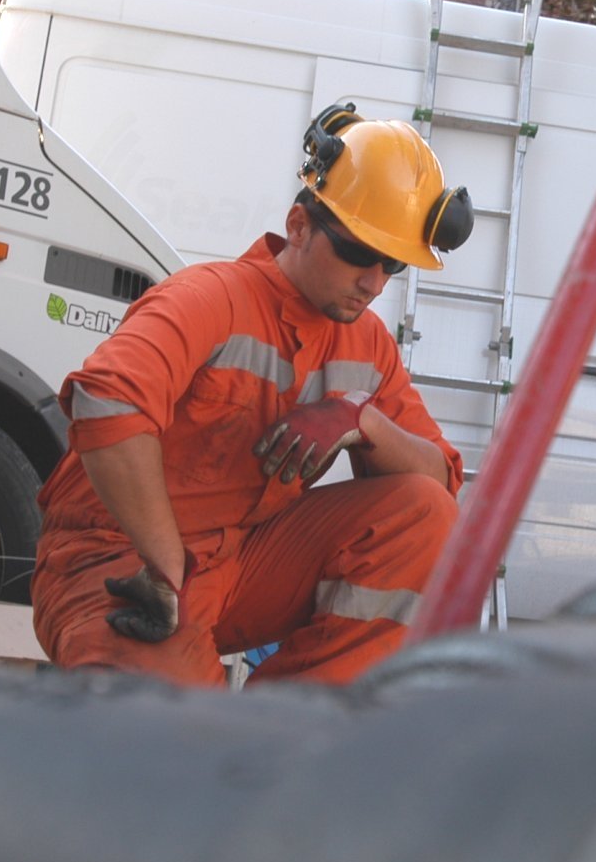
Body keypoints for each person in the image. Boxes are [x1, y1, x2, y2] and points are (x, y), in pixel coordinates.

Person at [28, 104, 474, 685]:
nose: (374, 281)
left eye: (392, 263)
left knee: (422, 512)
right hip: (120, 563)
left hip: (241, 565)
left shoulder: (368, 346)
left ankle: (290, 732)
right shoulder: (212, 297)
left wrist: (360, 421)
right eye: (359, 253)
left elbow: (440, 480)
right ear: (299, 226)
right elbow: (108, 399)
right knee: (169, 748)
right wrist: (165, 564)